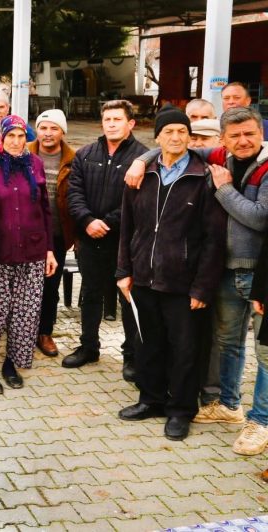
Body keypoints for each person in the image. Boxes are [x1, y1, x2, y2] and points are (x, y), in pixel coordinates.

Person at [130, 107, 268, 453]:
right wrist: (138, 161)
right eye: (234, 135)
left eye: (250, 133)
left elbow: (258, 219)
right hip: (221, 272)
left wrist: (223, 190)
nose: (243, 141)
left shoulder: (247, 171)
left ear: (261, 133)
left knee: (263, 352)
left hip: (259, 273)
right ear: (222, 139)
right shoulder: (217, 156)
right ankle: (227, 404)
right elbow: (172, 146)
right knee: (227, 343)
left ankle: (260, 420)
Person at [116, 108, 226, 441]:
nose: (176, 137)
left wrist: (202, 288)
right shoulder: (141, 175)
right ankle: (151, 399)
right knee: (149, 344)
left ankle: (180, 410)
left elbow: (213, 240)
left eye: (182, 131)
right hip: (145, 277)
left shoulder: (203, 176)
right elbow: (128, 226)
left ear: (190, 136)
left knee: (185, 350)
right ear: (158, 137)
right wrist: (124, 269)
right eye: (169, 132)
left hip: (183, 282)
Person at [62, 100, 147, 378]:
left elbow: (138, 202)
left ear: (130, 123)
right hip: (89, 238)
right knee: (90, 295)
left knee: (127, 297)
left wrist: (106, 223)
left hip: (124, 241)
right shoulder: (85, 154)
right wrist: (87, 221)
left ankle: (132, 355)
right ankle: (89, 347)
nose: (111, 124)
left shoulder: (142, 157)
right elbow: (73, 193)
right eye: (107, 119)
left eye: (117, 119)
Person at [0, 116, 57, 394]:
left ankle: (12, 362)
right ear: (1, 137)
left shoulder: (35, 163)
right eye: (11, 136)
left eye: (22, 136)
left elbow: (45, 209)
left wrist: (49, 250)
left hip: (32, 251)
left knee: (25, 312)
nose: (17, 142)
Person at [29, 110, 76, 358]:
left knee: (50, 286)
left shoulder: (74, 159)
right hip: (24, 234)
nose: (48, 133)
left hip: (56, 235)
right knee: (24, 285)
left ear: (62, 132)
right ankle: (21, 329)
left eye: (54, 128)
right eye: (43, 128)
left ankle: (44, 332)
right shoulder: (24, 152)